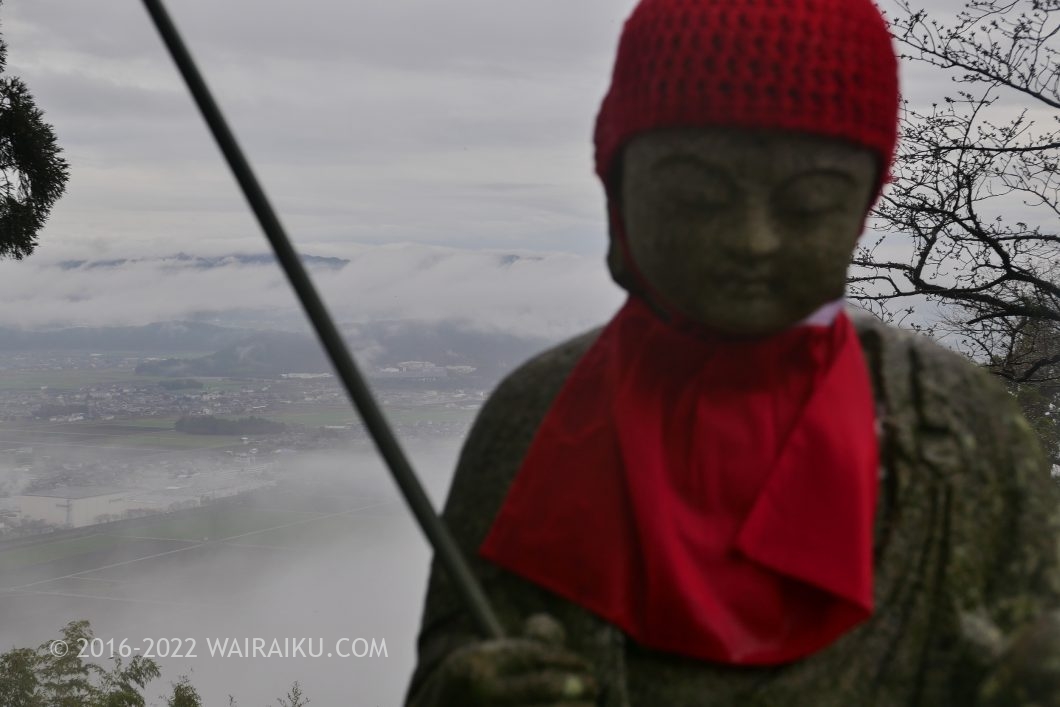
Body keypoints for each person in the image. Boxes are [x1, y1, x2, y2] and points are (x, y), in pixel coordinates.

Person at [405, 0, 1060, 705]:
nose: (753, 241)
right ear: (618, 196)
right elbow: (451, 656)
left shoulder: (958, 428)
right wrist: (468, 685)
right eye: (696, 199)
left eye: (807, 205)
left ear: (863, 202)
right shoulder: (535, 417)